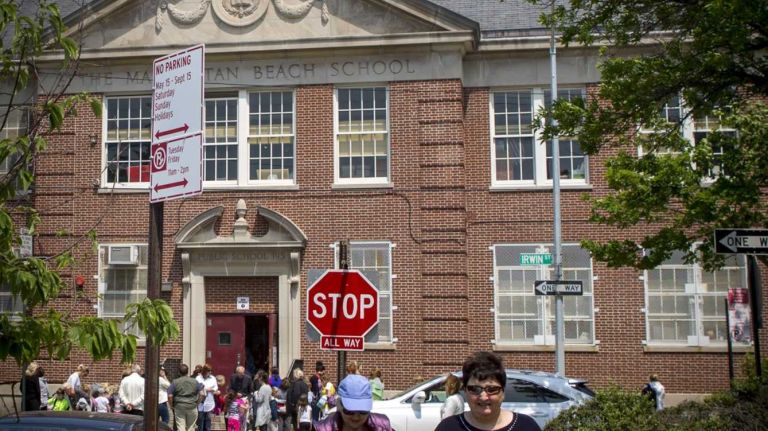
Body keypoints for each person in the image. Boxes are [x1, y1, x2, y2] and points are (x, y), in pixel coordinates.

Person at [435, 351, 540, 431]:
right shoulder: (448, 427)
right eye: (475, 389)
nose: (484, 397)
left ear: (503, 392)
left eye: (492, 389)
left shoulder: (526, 426)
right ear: (465, 391)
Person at [312, 374, 393, 431]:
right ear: (339, 405)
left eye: (362, 411)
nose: (356, 417)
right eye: (349, 411)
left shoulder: (383, 427)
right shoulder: (324, 428)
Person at [169, 363, 205, 431]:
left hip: (179, 406)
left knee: (180, 427)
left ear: (179, 372)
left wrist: (171, 405)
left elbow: (170, 395)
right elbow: (202, 394)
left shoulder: (175, 382)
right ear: (188, 371)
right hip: (192, 405)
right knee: (191, 427)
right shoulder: (195, 381)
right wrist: (197, 403)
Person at [196, 364, 219, 431]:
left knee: (208, 420)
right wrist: (206, 389)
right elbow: (196, 388)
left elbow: (216, 387)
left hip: (209, 402)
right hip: (200, 403)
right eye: (209, 371)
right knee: (200, 420)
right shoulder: (198, 378)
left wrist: (209, 389)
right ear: (204, 371)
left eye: (211, 371)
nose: (210, 372)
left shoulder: (213, 378)